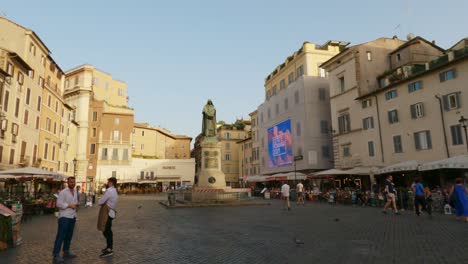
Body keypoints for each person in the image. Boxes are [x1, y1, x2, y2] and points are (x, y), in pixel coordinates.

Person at [52, 177, 79, 263]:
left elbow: (75, 202)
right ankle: (56, 254)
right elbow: (59, 204)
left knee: (69, 236)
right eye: (71, 182)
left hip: (72, 216)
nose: (72, 183)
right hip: (64, 217)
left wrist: (76, 205)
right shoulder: (63, 192)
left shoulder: (75, 192)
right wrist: (69, 205)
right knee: (60, 236)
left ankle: (66, 251)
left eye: (74, 182)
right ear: (67, 182)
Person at [98, 177, 119, 257]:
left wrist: (100, 201)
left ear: (111, 183)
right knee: (107, 230)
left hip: (107, 212)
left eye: (108, 182)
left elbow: (101, 201)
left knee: (106, 230)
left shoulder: (109, 190)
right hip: (111, 212)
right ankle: (108, 247)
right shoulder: (114, 190)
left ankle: (109, 249)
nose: (107, 183)